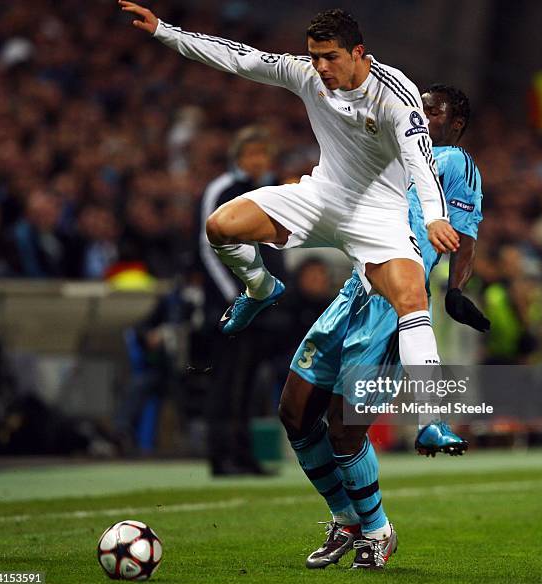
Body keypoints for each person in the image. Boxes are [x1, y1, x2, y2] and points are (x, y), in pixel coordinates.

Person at [118, 6, 459, 451]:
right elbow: (239, 58)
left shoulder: (396, 95)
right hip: (320, 197)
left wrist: (434, 215)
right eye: (314, 56)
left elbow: (421, 161)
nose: (320, 67)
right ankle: (261, 287)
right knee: (220, 226)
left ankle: (431, 420)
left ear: (359, 53)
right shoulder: (307, 75)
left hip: (378, 215)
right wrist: (164, 31)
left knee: (411, 300)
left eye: (330, 57)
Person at [278, 85, 488, 569]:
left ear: (454, 124)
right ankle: (346, 520)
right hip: (353, 291)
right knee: (293, 412)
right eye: (419, 106)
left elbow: (466, 236)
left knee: (345, 428)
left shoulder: (455, 162)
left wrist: (455, 291)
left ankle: (376, 531)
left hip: (396, 303)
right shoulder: (391, 152)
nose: (420, 114)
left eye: (431, 111)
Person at [199, 126, 287, 475]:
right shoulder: (222, 190)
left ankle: (244, 455)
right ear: (238, 157)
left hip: (261, 305)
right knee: (226, 380)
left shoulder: (268, 190)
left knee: (249, 383)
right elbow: (206, 248)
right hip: (230, 304)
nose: (257, 161)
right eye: (251, 154)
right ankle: (221, 457)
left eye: (262, 154)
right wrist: (233, 297)